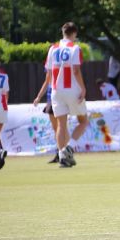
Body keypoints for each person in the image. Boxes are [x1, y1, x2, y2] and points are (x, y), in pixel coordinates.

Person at [43, 22, 89, 168]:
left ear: (63, 32)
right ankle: (69, 147)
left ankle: (62, 157)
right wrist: (83, 88)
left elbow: (49, 73)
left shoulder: (53, 48)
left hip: (56, 91)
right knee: (83, 121)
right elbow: (76, 70)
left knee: (61, 125)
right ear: (74, 33)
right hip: (72, 90)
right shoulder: (75, 48)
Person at [33, 66, 60, 163]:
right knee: (57, 128)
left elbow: (47, 80)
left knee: (60, 128)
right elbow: (47, 81)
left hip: (58, 96)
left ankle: (62, 153)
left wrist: (39, 97)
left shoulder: (55, 62)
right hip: (52, 98)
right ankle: (60, 153)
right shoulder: (50, 63)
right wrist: (39, 97)